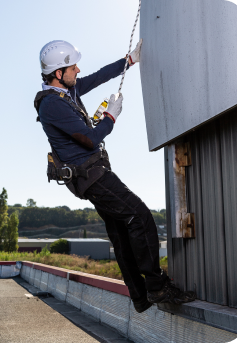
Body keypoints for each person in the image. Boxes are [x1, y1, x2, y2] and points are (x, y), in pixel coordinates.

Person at [34, 40, 196, 313]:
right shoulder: (52, 104)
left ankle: (140, 296)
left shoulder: (67, 92)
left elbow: (98, 76)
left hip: (92, 174)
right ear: (59, 73)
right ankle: (157, 287)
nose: (78, 70)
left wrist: (129, 61)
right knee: (141, 217)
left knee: (121, 231)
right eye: (73, 67)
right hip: (92, 176)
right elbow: (90, 138)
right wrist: (111, 115)